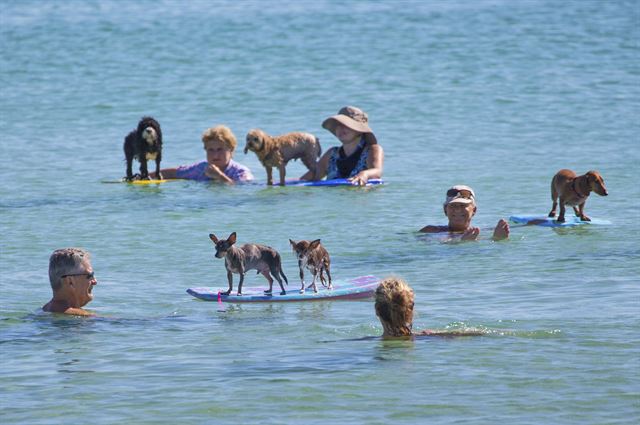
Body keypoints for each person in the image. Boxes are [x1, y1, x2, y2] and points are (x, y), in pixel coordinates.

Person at [300, 106, 384, 186]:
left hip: (360, 199)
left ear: (360, 130)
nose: (340, 128)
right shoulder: (331, 154)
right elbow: (310, 177)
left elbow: (377, 172)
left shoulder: (372, 150)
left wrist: (364, 174)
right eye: (338, 125)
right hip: (335, 199)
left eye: (346, 124)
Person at [375, 277, 484, 338]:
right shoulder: (430, 336)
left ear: (377, 310)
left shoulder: (363, 343)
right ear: (410, 309)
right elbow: (480, 333)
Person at [152, 125, 253, 184]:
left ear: (231, 150)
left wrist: (220, 176)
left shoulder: (241, 172)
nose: (215, 155)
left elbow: (242, 191)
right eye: (211, 150)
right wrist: (144, 176)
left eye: (220, 149)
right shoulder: (201, 168)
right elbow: (173, 173)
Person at [419, 185, 510, 241]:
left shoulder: (479, 235)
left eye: (463, 205)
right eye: (453, 206)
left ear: (474, 210)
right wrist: (462, 241)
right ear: (445, 210)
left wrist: (497, 239)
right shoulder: (432, 231)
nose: (458, 210)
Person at [43, 248, 98, 316]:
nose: (95, 281)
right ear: (70, 281)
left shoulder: (44, 310)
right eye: (90, 275)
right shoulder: (83, 317)